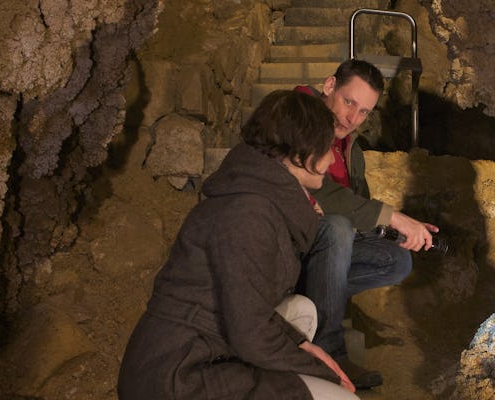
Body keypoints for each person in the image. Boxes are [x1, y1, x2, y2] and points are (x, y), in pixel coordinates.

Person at [118, 90, 359, 400]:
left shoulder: (256, 196)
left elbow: (248, 305)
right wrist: (327, 375)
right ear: (300, 154)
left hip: (196, 352)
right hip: (177, 376)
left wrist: (301, 347)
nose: (332, 159)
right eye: (326, 148)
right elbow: (251, 333)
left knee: (302, 312)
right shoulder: (248, 214)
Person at [295, 59, 439, 389]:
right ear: (329, 87)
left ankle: (314, 294)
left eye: (363, 111)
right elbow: (323, 194)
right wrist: (393, 216)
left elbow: (357, 199)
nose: (351, 118)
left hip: (329, 246)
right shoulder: (297, 115)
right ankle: (331, 354)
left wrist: (388, 230)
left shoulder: (350, 145)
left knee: (397, 259)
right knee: (337, 228)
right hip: (294, 237)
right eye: (349, 102)